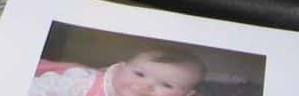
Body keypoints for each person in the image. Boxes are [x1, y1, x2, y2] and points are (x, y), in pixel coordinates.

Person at [30, 48, 206, 96]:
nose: (145, 86)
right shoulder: (84, 83)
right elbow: (41, 87)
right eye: (139, 74)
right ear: (121, 68)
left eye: (166, 85)